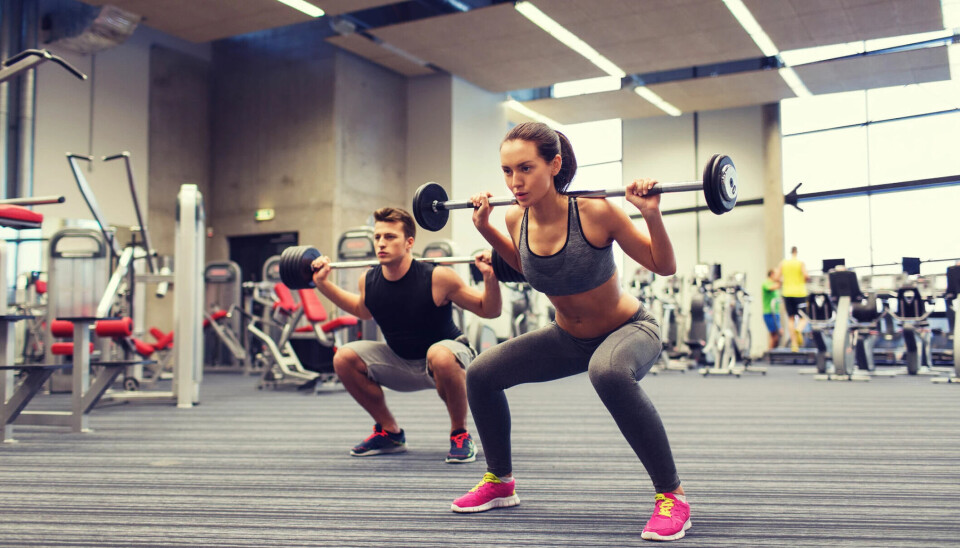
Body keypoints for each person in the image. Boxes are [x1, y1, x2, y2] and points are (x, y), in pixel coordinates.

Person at [453, 122, 690, 542]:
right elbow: (530, 270)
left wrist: (650, 213)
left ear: (555, 164)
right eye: (507, 171)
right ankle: (500, 481)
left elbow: (663, 265)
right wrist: (486, 228)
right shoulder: (514, 217)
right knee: (481, 373)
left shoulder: (596, 212)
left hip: (629, 329)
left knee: (609, 372)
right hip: (568, 338)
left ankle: (673, 497)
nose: (515, 181)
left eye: (525, 168)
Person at [310, 207, 502, 464]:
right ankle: (390, 432)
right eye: (377, 237)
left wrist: (490, 277)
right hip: (401, 361)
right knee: (344, 357)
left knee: (440, 354)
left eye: (390, 237)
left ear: (409, 242)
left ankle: (460, 433)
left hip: (447, 359)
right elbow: (362, 310)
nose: (381, 243)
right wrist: (323, 284)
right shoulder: (369, 280)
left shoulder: (438, 277)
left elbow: (489, 311)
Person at [774, 246, 810, 352]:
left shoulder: (783, 263)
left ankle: (794, 345)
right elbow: (806, 276)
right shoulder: (800, 263)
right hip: (799, 293)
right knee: (804, 317)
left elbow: (776, 278)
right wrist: (802, 280)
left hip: (787, 292)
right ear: (796, 252)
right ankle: (798, 329)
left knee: (790, 318)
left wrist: (784, 281)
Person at [762, 269, 782, 349]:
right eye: (777, 274)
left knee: (777, 334)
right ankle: (771, 353)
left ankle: (773, 353)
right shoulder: (766, 283)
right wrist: (781, 281)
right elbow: (774, 287)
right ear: (772, 274)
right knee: (775, 334)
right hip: (769, 313)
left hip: (775, 313)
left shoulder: (774, 284)